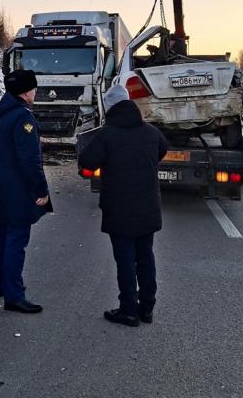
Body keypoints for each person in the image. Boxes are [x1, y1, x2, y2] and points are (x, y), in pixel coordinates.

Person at [77, 84, 169, 327]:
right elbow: (163, 149)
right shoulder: (150, 132)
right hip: (148, 205)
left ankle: (128, 309)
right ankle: (147, 307)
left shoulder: (107, 134)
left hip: (119, 208)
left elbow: (86, 161)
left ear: (110, 107)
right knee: (146, 256)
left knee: (126, 259)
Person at [0, 69, 52, 313]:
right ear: (26, 92)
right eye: (34, 89)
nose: (36, 93)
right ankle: (14, 295)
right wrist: (41, 189)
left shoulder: (1, 113)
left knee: (3, 231)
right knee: (17, 238)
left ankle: (1, 285)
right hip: (19, 187)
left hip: (5, 185)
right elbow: (29, 159)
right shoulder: (23, 118)